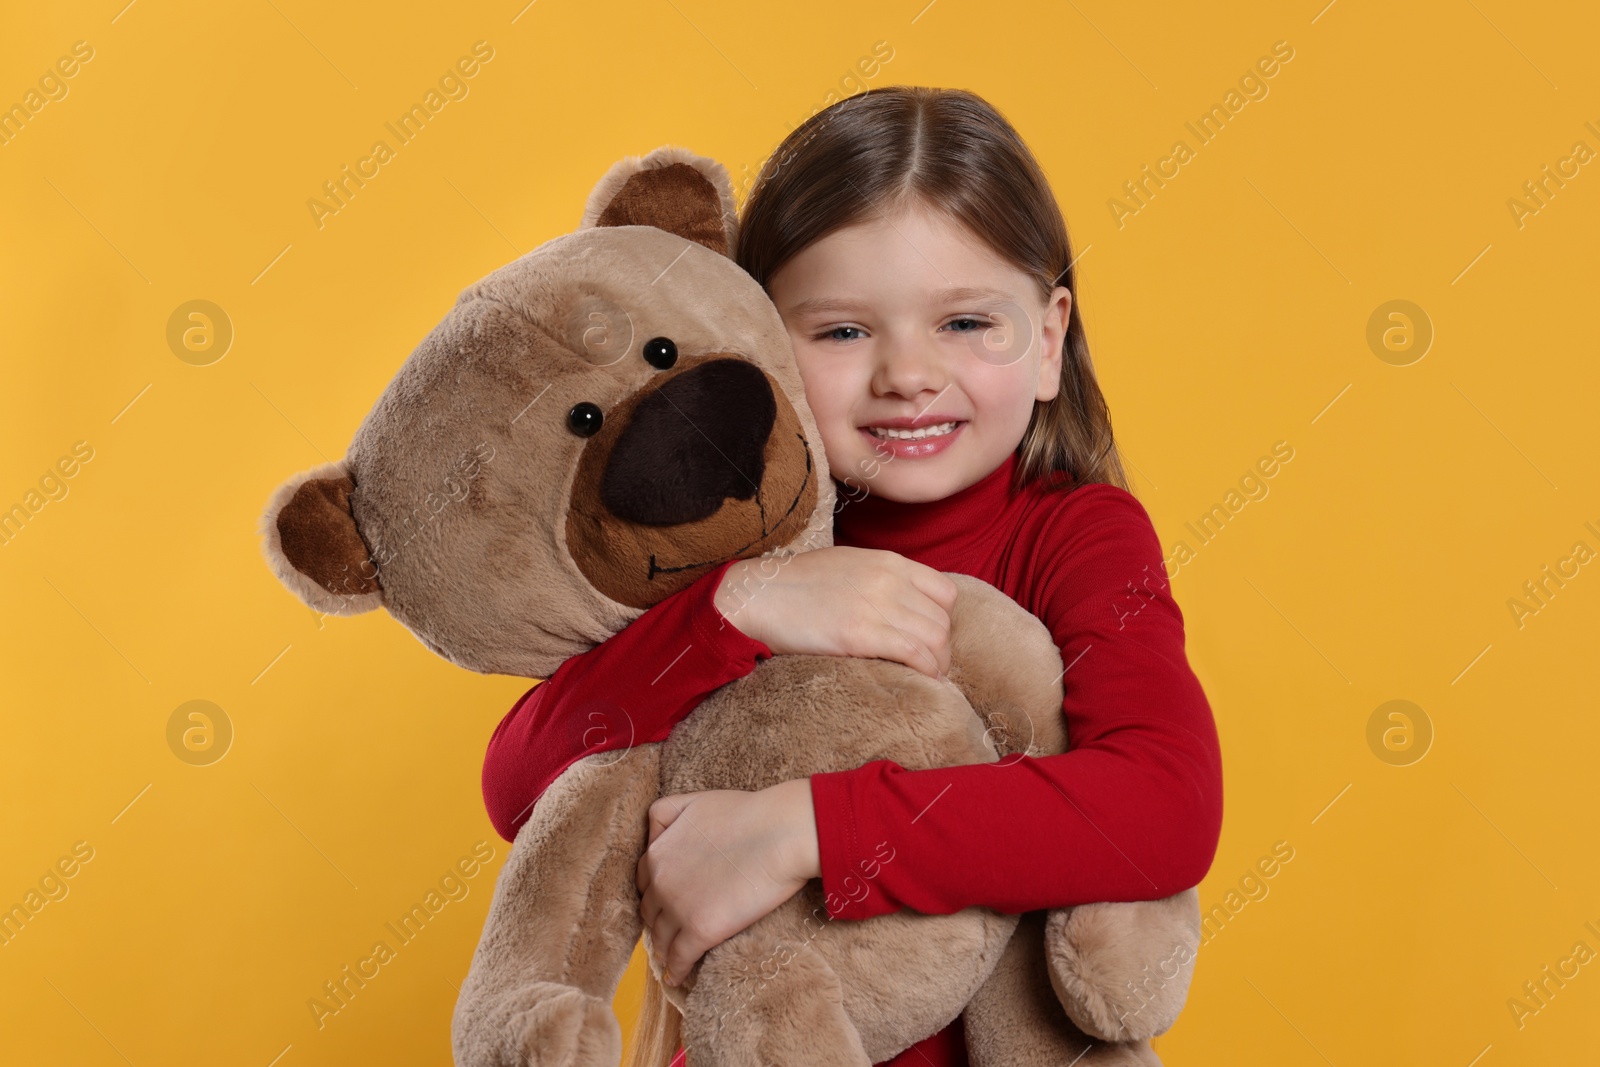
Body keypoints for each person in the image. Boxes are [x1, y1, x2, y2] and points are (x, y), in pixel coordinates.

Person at [480, 85, 1224, 1067]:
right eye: (840, 331)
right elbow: (518, 785)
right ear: (755, 344)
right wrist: (731, 609)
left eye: (965, 322)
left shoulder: (1076, 537)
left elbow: (1163, 807)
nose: (906, 373)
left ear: (1047, 341)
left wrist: (804, 829)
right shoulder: (721, 550)